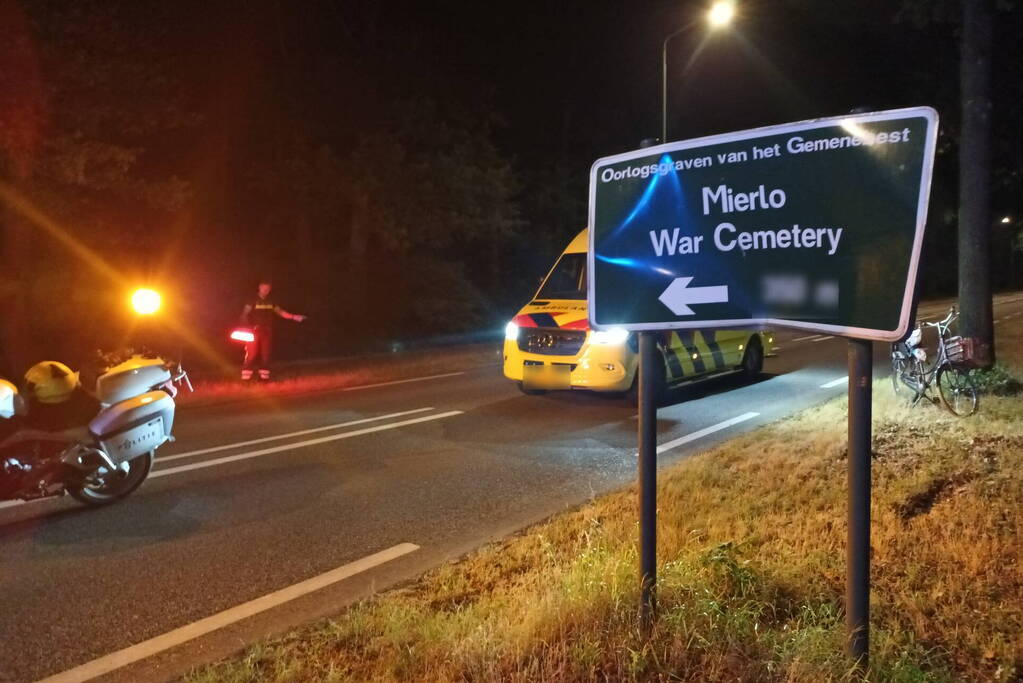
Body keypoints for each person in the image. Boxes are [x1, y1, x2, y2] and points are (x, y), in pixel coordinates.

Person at [239, 280, 305, 381]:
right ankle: (246, 379)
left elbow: (280, 312)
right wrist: (245, 327)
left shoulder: (271, 300)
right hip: (253, 331)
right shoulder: (252, 299)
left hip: (267, 331)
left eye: (268, 289)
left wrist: (293, 317)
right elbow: (244, 313)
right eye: (264, 288)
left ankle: (264, 378)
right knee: (251, 354)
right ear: (259, 287)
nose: (266, 290)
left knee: (266, 355)